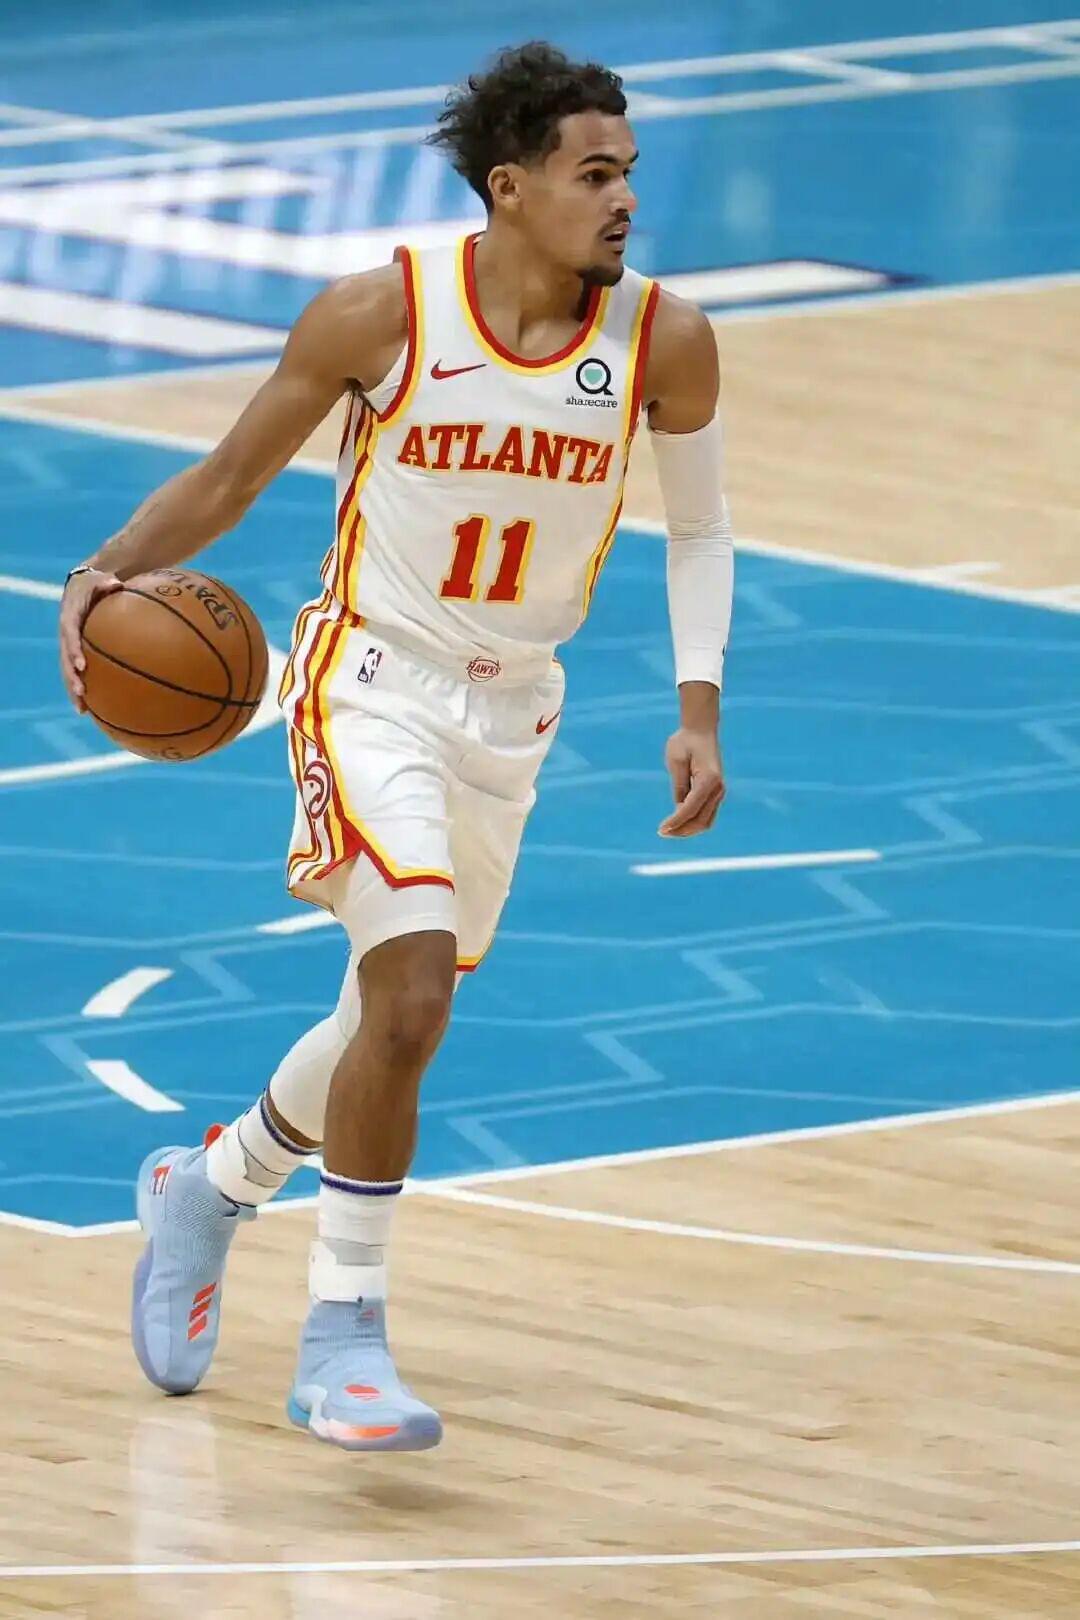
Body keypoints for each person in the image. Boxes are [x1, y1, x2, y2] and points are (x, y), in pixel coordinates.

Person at [58, 41, 734, 1454]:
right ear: (512, 186)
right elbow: (232, 477)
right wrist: (104, 570)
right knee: (412, 996)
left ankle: (208, 1187)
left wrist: (698, 706)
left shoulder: (665, 339)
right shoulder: (383, 313)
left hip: (516, 710)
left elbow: (702, 530)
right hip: (368, 683)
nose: (624, 198)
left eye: (629, 171)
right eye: (594, 173)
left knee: (387, 1022)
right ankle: (344, 1338)